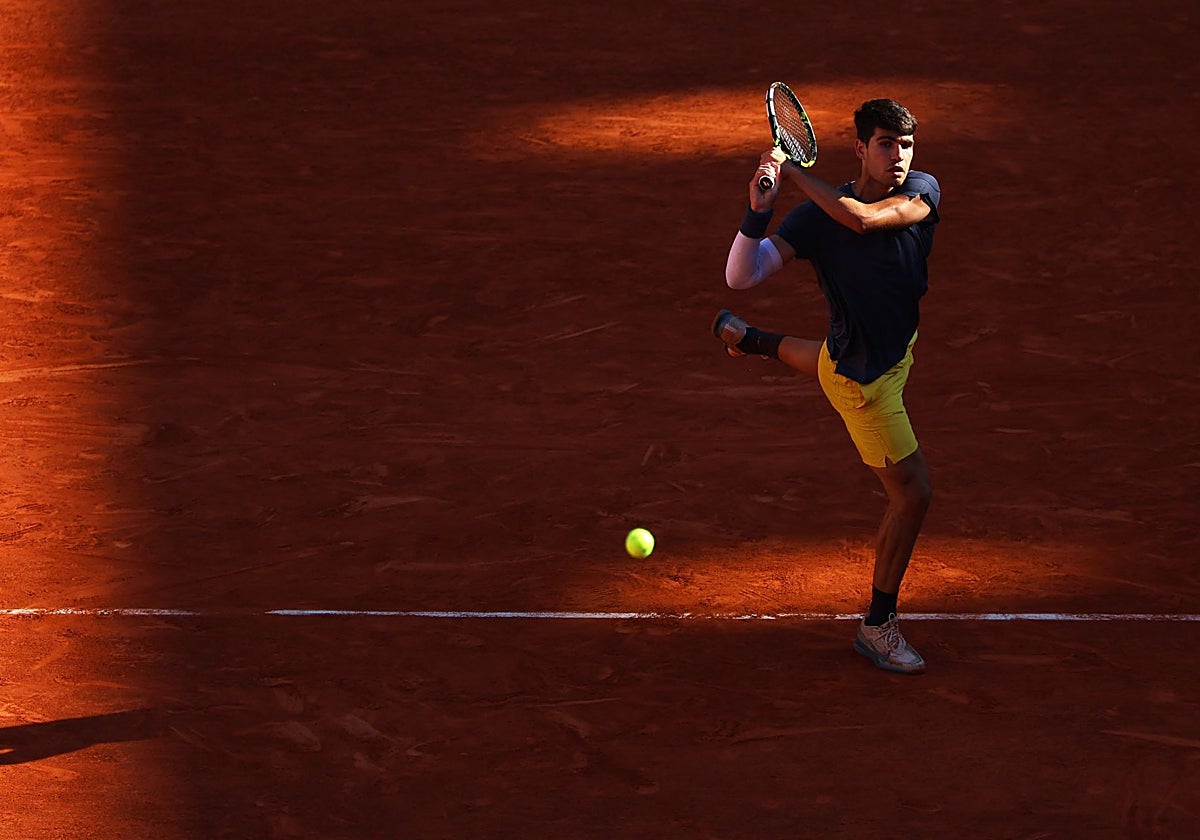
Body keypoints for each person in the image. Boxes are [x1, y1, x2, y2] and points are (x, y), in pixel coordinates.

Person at [713, 98, 940, 674]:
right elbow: (742, 275)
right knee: (911, 494)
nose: (899, 155)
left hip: (888, 351)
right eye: (886, 144)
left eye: (905, 144)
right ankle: (878, 626)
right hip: (868, 381)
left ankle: (751, 341)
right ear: (860, 148)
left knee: (829, 362)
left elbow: (864, 221)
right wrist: (758, 211)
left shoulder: (922, 191)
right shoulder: (815, 220)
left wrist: (791, 173)